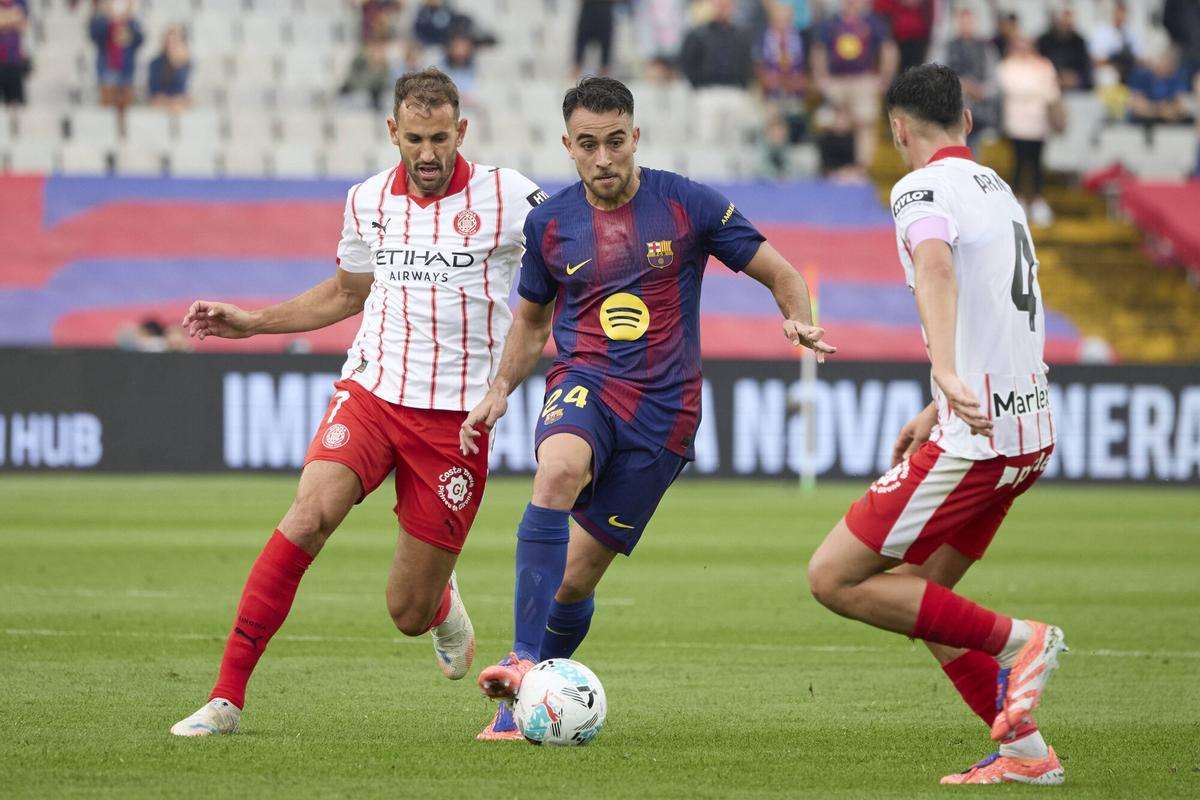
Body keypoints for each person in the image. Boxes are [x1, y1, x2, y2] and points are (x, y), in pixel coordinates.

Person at [169, 68, 547, 737]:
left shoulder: (510, 196)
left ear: (460, 131)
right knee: (309, 515)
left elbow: (569, 258)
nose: (427, 153)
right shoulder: (367, 200)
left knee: (405, 610)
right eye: (413, 138)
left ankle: (439, 607)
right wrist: (253, 322)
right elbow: (348, 293)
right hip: (371, 392)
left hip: (454, 425)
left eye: (439, 138)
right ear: (391, 133)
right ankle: (226, 698)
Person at [459, 76, 834, 740]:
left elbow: (782, 274)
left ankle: (533, 690)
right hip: (585, 384)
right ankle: (521, 663)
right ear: (568, 146)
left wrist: (797, 320)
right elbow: (530, 323)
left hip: (664, 415)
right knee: (556, 473)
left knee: (571, 585)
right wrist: (500, 390)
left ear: (635, 137)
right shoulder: (550, 223)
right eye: (588, 145)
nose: (603, 159)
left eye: (614, 142)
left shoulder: (687, 204)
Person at [807, 64, 1067, 785]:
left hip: (976, 436)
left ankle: (1023, 643)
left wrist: (948, 379)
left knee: (832, 577)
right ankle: (1025, 755)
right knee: (924, 597)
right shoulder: (999, 190)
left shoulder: (918, 188)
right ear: (969, 122)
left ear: (897, 130)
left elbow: (936, 267)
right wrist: (938, 398)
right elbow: (1008, 310)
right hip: (1027, 429)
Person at [811, 0, 898, 172]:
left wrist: (885, 77)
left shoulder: (872, 22)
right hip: (836, 80)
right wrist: (820, 77)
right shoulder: (832, 23)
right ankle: (832, 168)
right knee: (831, 122)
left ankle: (861, 168)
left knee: (865, 123)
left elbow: (888, 48)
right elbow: (818, 50)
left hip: (863, 80)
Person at [996, 32, 1060, 226]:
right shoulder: (1007, 66)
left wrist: (1032, 92)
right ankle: (1019, 200)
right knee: (1019, 162)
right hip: (1016, 123)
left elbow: (1051, 91)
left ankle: (1038, 200)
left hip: (1039, 123)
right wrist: (1034, 91)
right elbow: (1011, 86)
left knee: (1037, 163)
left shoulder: (1043, 65)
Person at [943, 6, 998, 152]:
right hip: (951, 110)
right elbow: (935, 74)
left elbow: (995, 81)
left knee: (972, 154)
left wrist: (980, 90)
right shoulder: (946, 47)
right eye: (962, 22)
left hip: (978, 111)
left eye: (969, 22)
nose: (966, 26)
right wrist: (958, 85)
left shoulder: (986, 49)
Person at [89, 0, 144, 113]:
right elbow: (95, 36)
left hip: (126, 69)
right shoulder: (101, 21)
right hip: (107, 68)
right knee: (107, 104)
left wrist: (129, 20)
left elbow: (139, 40)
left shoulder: (131, 22)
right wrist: (108, 19)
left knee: (127, 105)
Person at [1127, 46, 1195, 126]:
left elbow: (1181, 106)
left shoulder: (1177, 78)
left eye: (1170, 62)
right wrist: (1160, 110)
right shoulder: (1142, 75)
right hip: (1143, 123)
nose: (1166, 64)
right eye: (1163, 60)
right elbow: (1137, 105)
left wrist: (1156, 110)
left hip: (1168, 123)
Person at [1036, 6, 1092, 91]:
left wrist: (1075, 78)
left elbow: (1085, 66)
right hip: (1049, 80)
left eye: (1068, 21)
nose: (1065, 23)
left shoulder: (1079, 41)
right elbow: (1040, 62)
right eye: (1062, 20)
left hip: (1074, 83)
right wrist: (1057, 76)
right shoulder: (1044, 41)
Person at [147, 24, 191, 111]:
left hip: (179, 101)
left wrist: (178, 65)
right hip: (161, 100)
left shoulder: (187, 63)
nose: (171, 45)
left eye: (175, 41)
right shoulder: (155, 63)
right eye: (168, 41)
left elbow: (183, 87)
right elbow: (153, 88)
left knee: (181, 104)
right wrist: (167, 99)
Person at [0, 0, 28, 106]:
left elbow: (23, 25)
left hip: (13, 61)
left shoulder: (19, 5)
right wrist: (12, 21)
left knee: (15, 102)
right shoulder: (16, 10)